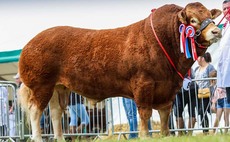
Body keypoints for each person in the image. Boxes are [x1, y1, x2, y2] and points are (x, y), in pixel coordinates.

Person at [194, 52, 216, 134]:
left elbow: (214, 79)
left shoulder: (210, 67)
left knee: (202, 110)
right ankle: (205, 128)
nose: (197, 59)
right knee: (200, 111)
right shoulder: (197, 69)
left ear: (202, 58)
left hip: (207, 93)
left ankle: (205, 130)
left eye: (198, 57)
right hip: (198, 93)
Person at [174, 69, 198, 136]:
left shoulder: (177, 66)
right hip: (192, 87)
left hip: (181, 90)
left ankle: (180, 134)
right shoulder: (189, 66)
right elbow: (193, 75)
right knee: (192, 111)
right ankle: (189, 134)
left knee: (178, 113)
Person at [217, 0, 230, 104]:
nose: (226, 11)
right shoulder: (225, 26)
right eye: (224, 9)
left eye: (228, 8)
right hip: (227, 74)